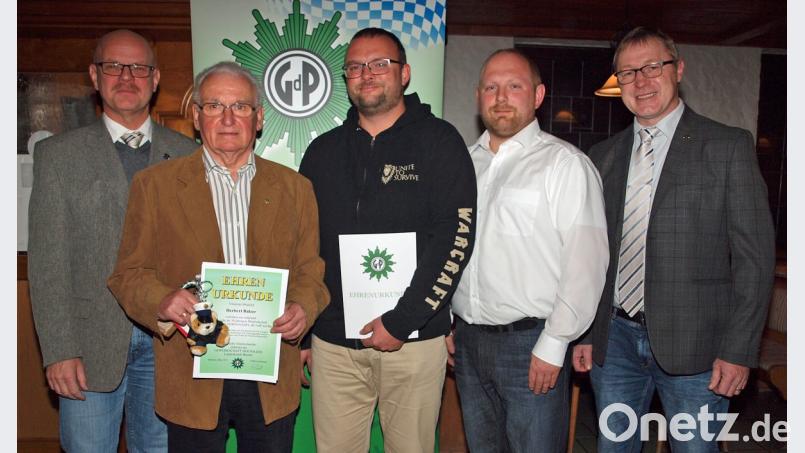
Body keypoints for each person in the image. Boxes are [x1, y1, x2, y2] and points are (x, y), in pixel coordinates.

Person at [107, 61, 330, 452]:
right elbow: (129, 274)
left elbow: (311, 271)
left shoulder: (296, 188)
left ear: (259, 118)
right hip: (192, 370)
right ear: (196, 116)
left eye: (240, 107)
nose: (228, 118)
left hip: (270, 371)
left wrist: (303, 307)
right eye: (214, 106)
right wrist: (162, 300)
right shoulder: (154, 186)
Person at [572, 27, 776, 452]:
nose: (641, 81)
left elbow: (754, 261)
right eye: (627, 73)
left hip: (700, 352)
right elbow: (592, 258)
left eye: (652, 67)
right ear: (618, 83)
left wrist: (739, 350)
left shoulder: (726, 146)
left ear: (678, 69)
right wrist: (587, 333)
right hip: (617, 344)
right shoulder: (603, 157)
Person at [298, 28, 476, 452]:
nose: (367, 73)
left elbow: (454, 239)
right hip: (334, 342)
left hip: (413, 340)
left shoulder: (441, 142)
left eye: (380, 63)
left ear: (405, 73)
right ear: (346, 78)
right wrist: (306, 331)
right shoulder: (321, 152)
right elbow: (304, 245)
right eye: (356, 66)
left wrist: (402, 320)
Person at [27, 29, 197, 452]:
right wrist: (58, 349)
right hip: (87, 345)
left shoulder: (190, 155)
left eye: (139, 67)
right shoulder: (58, 156)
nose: (126, 76)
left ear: (155, 78)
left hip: (170, 344)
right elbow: (47, 263)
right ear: (94, 75)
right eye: (113, 66)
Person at [447, 48, 609, 452]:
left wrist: (554, 343)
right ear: (478, 95)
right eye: (491, 87)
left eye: (514, 86)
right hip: (468, 342)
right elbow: (452, 248)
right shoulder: (464, 164)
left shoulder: (564, 164)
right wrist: (447, 318)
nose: (501, 97)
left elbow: (585, 264)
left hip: (531, 345)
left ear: (538, 95)